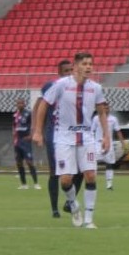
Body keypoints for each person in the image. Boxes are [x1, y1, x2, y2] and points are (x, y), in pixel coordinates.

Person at [32, 52, 110, 229]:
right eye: (84, 64)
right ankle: (74, 206)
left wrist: (106, 136)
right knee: (65, 180)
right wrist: (38, 130)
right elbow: (43, 104)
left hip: (87, 138)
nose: (88, 67)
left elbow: (101, 111)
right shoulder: (60, 85)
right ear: (75, 66)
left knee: (90, 175)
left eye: (90, 64)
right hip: (63, 138)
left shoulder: (96, 88)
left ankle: (89, 219)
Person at [94, 101, 127, 191]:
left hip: (109, 144)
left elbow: (118, 131)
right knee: (93, 163)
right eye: (105, 108)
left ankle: (109, 184)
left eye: (108, 108)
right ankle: (92, 183)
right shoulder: (96, 119)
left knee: (109, 164)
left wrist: (123, 144)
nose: (106, 109)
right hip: (97, 144)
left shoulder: (113, 119)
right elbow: (91, 131)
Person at [13, 98, 40, 190]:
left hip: (26, 141)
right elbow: (14, 126)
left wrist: (31, 136)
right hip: (18, 142)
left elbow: (33, 125)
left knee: (29, 162)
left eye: (21, 103)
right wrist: (14, 137)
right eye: (18, 103)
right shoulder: (15, 115)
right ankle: (24, 184)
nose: (20, 105)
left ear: (24, 104)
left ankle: (36, 183)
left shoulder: (28, 114)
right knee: (19, 163)